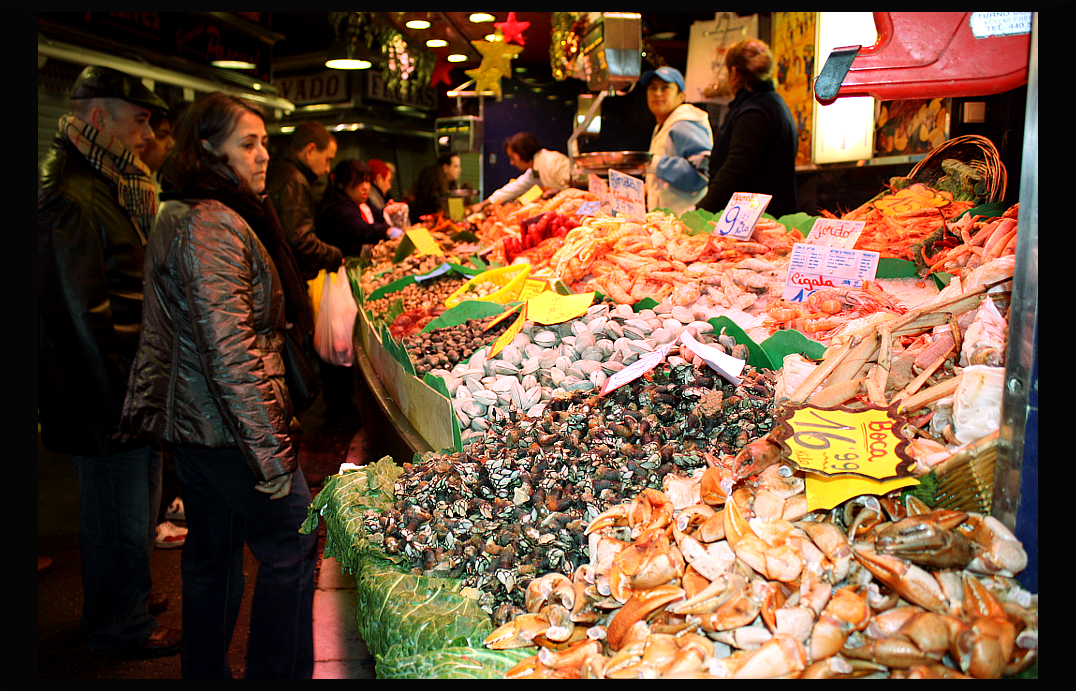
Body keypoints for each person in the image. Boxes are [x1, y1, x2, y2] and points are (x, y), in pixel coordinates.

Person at [120, 92, 318, 678]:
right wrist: (273, 460)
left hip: (197, 426)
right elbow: (230, 352)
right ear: (207, 148)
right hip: (227, 428)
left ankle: (203, 674)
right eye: (247, 144)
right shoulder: (211, 225)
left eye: (264, 143)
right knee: (291, 545)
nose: (262, 157)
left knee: (211, 554)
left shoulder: (187, 210)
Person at [38, 64, 180, 658]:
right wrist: (118, 402)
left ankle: (127, 599)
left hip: (127, 384)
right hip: (106, 395)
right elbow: (78, 314)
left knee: (133, 512)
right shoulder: (71, 195)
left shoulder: (111, 181)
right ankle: (116, 628)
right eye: (139, 121)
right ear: (99, 118)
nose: (147, 135)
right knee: (116, 518)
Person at [696, 39, 799, 219]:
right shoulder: (773, 104)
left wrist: (702, 212)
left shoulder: (754, 111)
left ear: (734, 73)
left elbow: (736, 170)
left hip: (756, 225)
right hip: (770, 219)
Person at [264, 120, 343, 282]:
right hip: (285, 278)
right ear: (310, 151)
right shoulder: (294, 179)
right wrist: (334, 255)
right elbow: (300, 241)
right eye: (328, 159)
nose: (328, 169)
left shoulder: (275, 170)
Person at [641, 66, 714, 217]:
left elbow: (701, 174)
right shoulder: (663, 126)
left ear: (681, 96)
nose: (657, 93)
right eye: (652, 88)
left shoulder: (684, 123)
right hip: (669, 223)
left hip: (686, 223)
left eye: (665, 87)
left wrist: (654, 163)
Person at [472, 132, 571, 211]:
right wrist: (482, 205)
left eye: (512, 157)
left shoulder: (553, 161)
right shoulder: (534, 170)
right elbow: (513, 188)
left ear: (522, 153)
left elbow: (574, 191)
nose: (512, 163)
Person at [407, 150, 462, 224]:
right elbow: (439, 210)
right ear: (445, 168)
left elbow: (458, 214)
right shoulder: (434, 182)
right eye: (456, 166)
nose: (459, 170)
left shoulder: (451, 184)